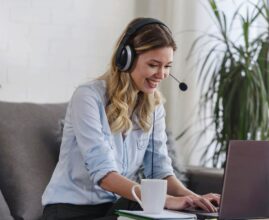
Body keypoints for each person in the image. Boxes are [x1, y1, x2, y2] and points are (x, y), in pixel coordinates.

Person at [41, 17, 220, 220]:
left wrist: (194, 199)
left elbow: (160, 170)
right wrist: (167, 200)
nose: (162, 74)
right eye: (154, 64)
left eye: (167, 66)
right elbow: (105, 175)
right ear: (125, 58)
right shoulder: (88, 97)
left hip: (115, 207)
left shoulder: (154, 106)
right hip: (70, 211)